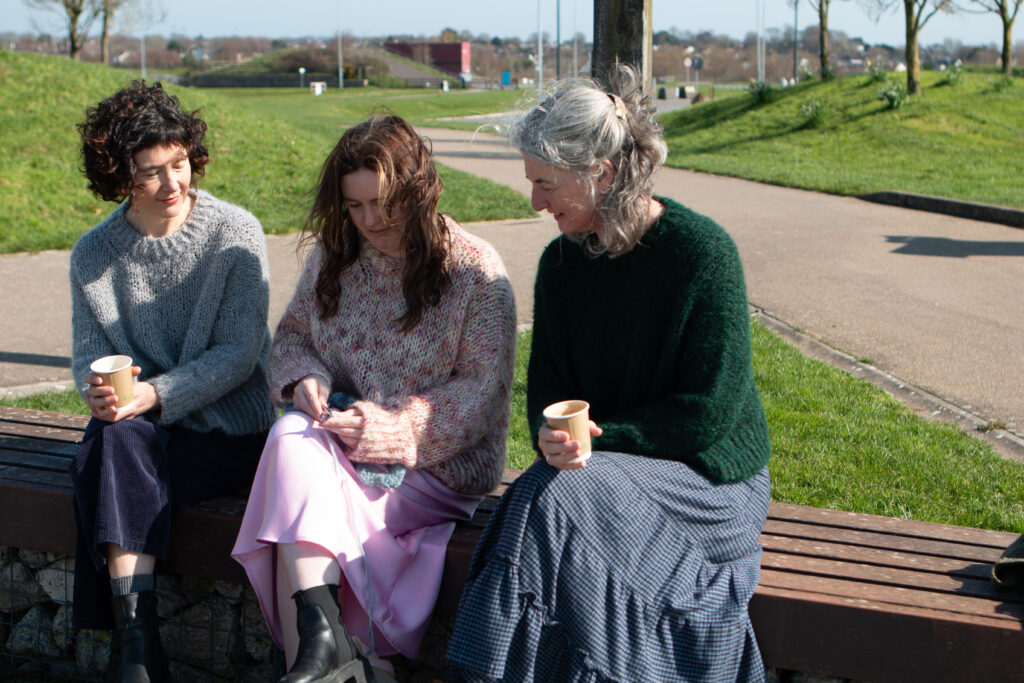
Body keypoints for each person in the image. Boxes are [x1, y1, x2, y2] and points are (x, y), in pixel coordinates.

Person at [447, 65, 773, 682]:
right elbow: (548, 392)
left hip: (705, 480)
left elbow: (707, 415)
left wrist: (600, 438)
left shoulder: (702, 255)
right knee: (544, 493)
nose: (535, 201)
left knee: (551, 496)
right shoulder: (562, 265)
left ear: (601, 172)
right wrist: (553, 434)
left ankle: (487, 671)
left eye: (546, 183)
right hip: (604, 472)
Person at [231, 114, 517, 683]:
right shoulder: (334, 257)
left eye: (383, 203)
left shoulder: (474, 269)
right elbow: (290, 340)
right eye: (354, 206)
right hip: (340, 448)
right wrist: (303, 378)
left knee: (299, 499)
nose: (369, 221)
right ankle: (325, 639)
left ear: (418, 190)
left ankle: (326, 655)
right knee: (289, 432)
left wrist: (390, 432)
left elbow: (481, 394)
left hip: (436, 472)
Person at [70, 81, 276, 682]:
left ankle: (133, 654)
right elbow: (88, 356)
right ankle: (139, 649)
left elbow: (240, 355)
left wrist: (156, 395)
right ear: (118, 177)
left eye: (179, 163)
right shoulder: (93, 255)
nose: (172, 184)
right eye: (150, 172)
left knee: (95, 467)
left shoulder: (235, 233)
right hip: (144, 435)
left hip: (233, 433)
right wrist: (99, 392)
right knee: (110, 443)